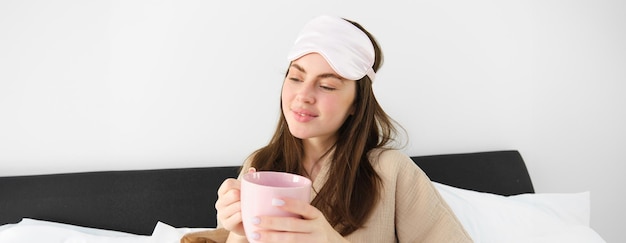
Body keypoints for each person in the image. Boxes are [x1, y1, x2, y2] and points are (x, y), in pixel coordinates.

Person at [214, 15, 472, 242]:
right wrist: (239, 232)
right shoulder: (259, 166)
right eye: (295, 77)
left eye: (326, 85)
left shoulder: (391, 172)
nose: (303, 95)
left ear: (356, 104)